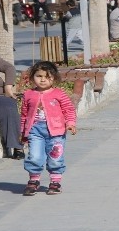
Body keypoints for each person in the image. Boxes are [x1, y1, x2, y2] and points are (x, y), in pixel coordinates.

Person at [21, 61, 77, 196]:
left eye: (48, 77)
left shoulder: (59, 94)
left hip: (56, 131)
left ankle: (55, 181)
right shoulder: (28, 94)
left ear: (54, 78)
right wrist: (23, 131)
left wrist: (70, 123)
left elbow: (69, 109)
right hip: (35, 131)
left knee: (55, 156)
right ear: (32, 77)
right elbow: (24, 114)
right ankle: (34, 180)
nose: (43, 79)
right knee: (34, 156)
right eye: (39, 76)